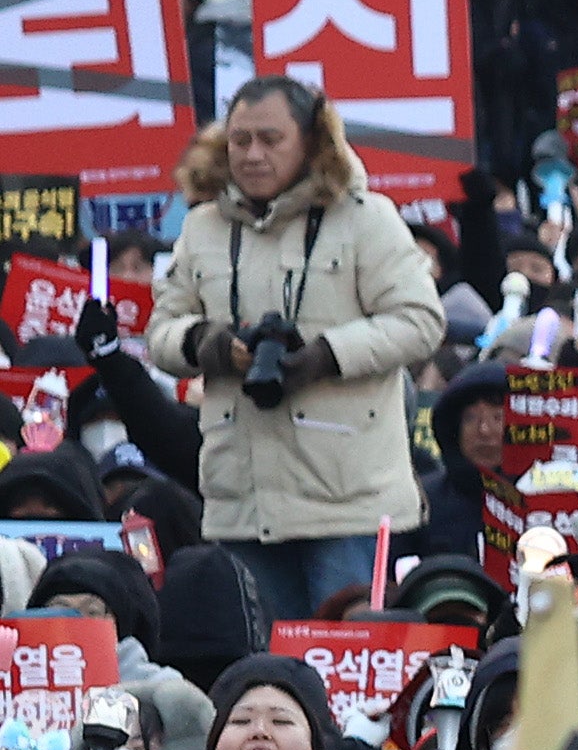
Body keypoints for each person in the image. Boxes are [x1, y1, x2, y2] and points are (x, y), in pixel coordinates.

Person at [143, 81, 439, 629]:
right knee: (266, 674)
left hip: (347, 501)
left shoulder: (366, 218)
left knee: (349, 670)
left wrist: (327, 355)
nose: (253, 154)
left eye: (271, 139)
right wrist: (207, 345)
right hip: (242, 502)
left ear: (311, 141)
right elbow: (160, 331)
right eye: (240, 140)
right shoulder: (203, 227)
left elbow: (421, 321)